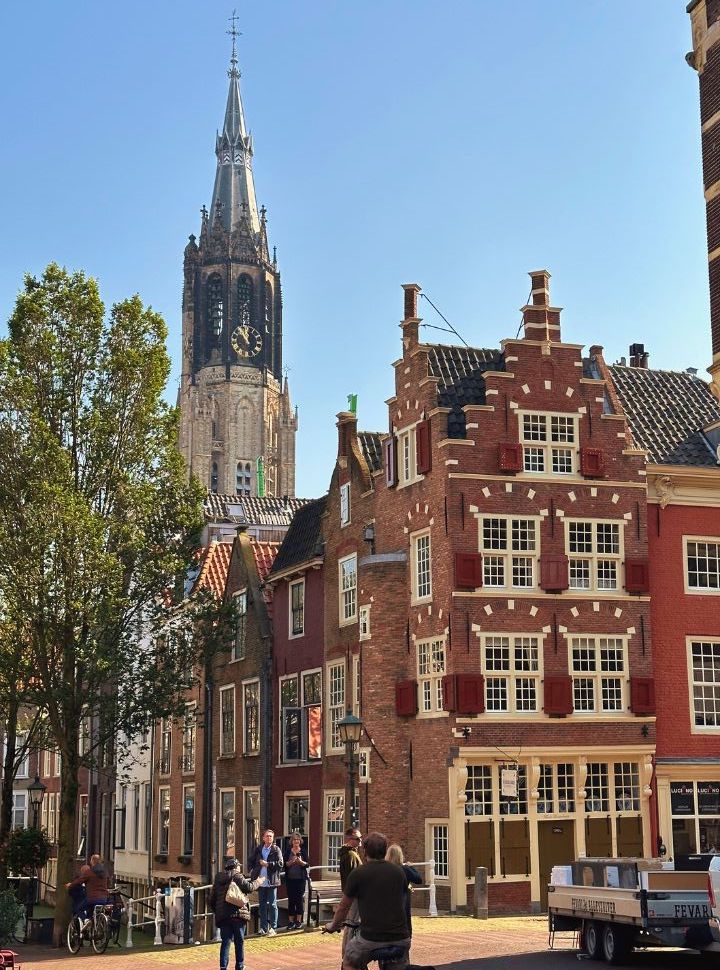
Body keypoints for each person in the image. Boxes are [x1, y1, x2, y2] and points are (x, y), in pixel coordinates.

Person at [326, 831, 411, 970]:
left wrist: (333, 925)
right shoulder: (399, 872)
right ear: (385, 851)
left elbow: (343, 907)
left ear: (365, 851)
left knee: (348, 960)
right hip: (400, 937)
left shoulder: (358, 874)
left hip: (371, 937)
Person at [209, 858, 262, 970]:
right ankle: (240, 966)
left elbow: (211, 899)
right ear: (235, 866)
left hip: (223, 917)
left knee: (226, 942)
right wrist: (259, 881)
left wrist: (218, 911)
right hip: (237, 914)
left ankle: (223, 967)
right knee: (239, 942)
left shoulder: (218, 878)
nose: (240, 868)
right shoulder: (237, 876)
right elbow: (249, 887)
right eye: (239, 866)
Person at [249, 829, 283, 935]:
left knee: (272, 904)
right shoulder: (258, 849)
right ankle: (263, 928)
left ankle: (273, 927)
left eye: (271, 836)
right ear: (263, 838)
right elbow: (251, 860)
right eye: (267, 836)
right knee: (262, 905)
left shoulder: (276, 849)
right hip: (260, 881)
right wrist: (252, 870)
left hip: (271, 881)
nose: (269, 838)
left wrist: (268, 864)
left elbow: (280, 864)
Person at [385, 844, 422, 940]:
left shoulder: (385, 869)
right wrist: (412, 867)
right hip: (403, 903)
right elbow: (418, 879)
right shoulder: (405, 869)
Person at [338, 827, 363, 959]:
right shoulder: (350, 855)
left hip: (351, 894)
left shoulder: (350, 853)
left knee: (350, 925)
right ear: (349, 839)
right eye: (357, 839)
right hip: (354, 896)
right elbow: (353, 878)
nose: (360, 841)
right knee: (352, 925)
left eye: (360, 838)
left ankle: (348, 956)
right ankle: (349, 957)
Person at [66, 853, 109, 924]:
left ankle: (86, 921)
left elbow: (79, 881)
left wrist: (70, 885)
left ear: (92, 862)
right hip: (104, 898)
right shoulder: (105, 872)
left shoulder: (89, 872)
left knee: (79, 909)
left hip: (92, 898)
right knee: (92, 910)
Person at [283, 832, 308, 930]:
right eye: (294, 840)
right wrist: (291, 862)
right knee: (291, 900)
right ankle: (291, 922)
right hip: (290, 880)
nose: (296, 841)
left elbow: (307, 864)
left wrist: (301, 862)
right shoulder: (288, 851)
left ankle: (298, 921)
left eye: (298, 840)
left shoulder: (303, 851)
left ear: (300, 841)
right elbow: (284, 865)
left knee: (299, 900)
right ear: (292, 841)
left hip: (300, 880)